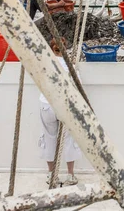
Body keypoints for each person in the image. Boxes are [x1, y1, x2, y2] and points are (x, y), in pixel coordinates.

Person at [38, 37, 81, 186]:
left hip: (46, 104)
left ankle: (51, 175)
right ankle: (70, 175)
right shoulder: (70, 66)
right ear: (65, 48)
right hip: (65, 106)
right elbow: (77, 87)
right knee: (69, 139)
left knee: (49, 138)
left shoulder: (44, 64)